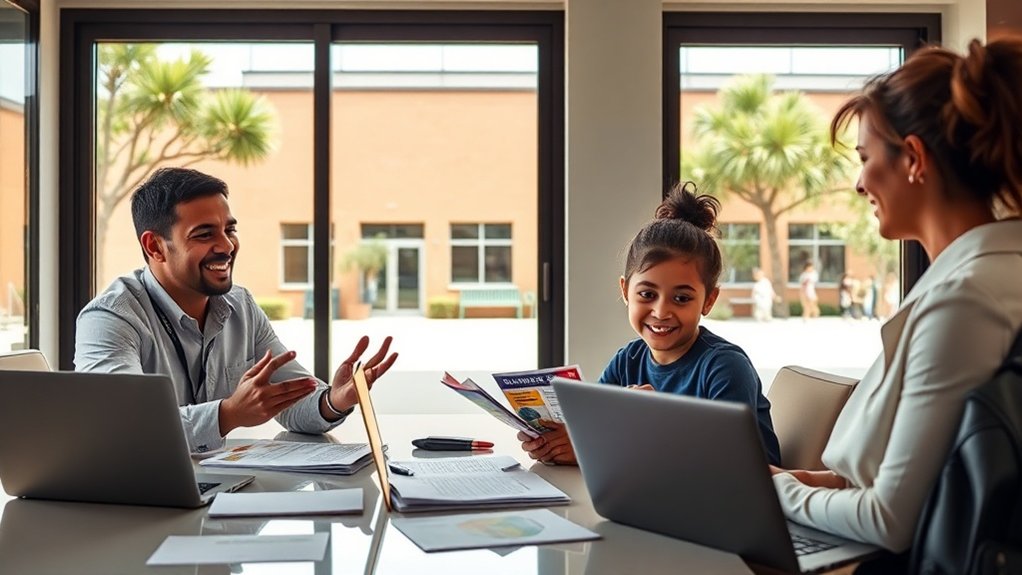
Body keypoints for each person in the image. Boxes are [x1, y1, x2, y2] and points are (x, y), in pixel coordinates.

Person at [770, 37, 1022, 553]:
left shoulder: (966, 300)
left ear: (912, 158)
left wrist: (777, 492)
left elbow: (891, 517)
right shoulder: (977, 276)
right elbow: (906, 479)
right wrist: (798, 483)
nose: (860, 183)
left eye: (865, 158)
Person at [75, 167, 399, 453]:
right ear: (155, 246)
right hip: (137, 506)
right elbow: (121, 427)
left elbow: (291, 399)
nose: (227, 246)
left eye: (229, 229)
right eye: (205, 234)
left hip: (220, 492)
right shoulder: (110, 318)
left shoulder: (240, 305)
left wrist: (332, 401)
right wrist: (227, 414)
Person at [519, 182, 781, 466]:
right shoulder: (626, 362)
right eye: (647, 294)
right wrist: (561, 443)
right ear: (625, 292)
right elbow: (595, 431)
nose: (661, 311)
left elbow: (732, 463)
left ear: (709, 300)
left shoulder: (724, 367)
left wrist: (648, 424)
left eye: (681, 298)